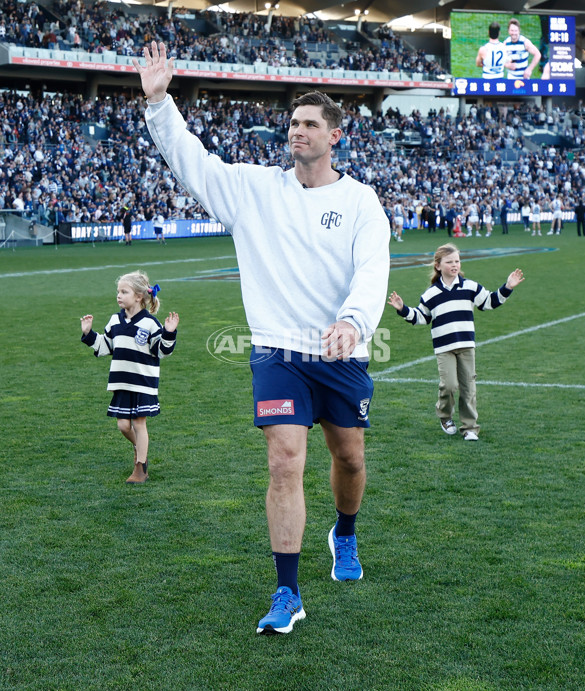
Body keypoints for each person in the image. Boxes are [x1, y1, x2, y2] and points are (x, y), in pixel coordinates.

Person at [133, 41, 390, 635]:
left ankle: (344, 533)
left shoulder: (359, 202)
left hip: (341, 352)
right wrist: (158, 104)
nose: (297, 131)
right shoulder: (253, 190)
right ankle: (287, 590)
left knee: (348, 456)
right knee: (284, 461)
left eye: (309, 124)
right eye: (293, 123)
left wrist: (353, 322)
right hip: (277, 351)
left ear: (335, 136)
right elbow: (193, 162)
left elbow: (372, 270)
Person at [387, 244, 524, 441]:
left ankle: (469, 428)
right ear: (438, 265)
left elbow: (489, 302)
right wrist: (403, 309)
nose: (454, 265)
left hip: (466, 345)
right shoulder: (431, 294)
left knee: (468, 388)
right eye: (449, 262)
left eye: (457, 261)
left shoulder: (470, 287)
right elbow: (421, 317)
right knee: (449, 386)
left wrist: (507, 287)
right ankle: (445, 416)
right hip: (444, 348)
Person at [80, 270, 179, 483]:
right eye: (118, 291)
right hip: (121, 381)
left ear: (138, 296)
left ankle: (140, 468)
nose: (118, 295)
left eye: (124, 291)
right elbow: (105, 346)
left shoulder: (151, 323)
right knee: (123, 426)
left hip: (142, 382)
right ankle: (139, 449)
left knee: (139, 423)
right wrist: (89, 334)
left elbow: (162, 351)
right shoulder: (114, 320)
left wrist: (169, 332)